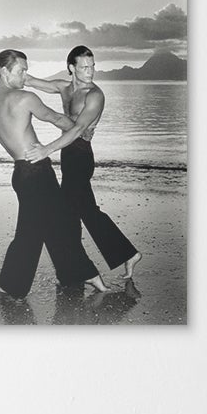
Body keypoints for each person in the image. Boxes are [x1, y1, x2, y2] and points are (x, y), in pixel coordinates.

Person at [0, 50, 110, 298]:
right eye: (21, 71)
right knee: (51, 226)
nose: (26, 75)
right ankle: (85, 274)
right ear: (5, 71)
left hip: (20, 173)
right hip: (38, 172)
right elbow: (57, 118)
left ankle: (17, 283)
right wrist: (81, 131)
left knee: (39, 228)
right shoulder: (24, 98)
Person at [25, 46, 142, 278]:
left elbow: (79, 129)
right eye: (85, 67)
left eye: (93, 66)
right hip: (68, 155)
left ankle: (87, 264)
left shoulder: (94, 95)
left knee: (81, 211)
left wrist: (47, 149)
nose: (91, 71)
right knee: (74, 212)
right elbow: (29, 80)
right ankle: (80, 265)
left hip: (81, 156)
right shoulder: (63, 88)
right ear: (72, 68)